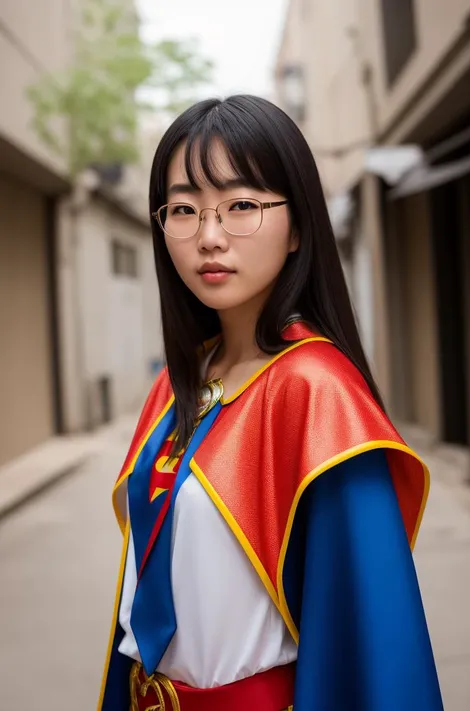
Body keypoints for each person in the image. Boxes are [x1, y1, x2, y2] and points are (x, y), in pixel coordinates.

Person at [97, 95, 444, 711]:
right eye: (183, 209)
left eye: (241, 206)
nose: (208, 236)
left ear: (299, 229)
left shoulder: (317, 391)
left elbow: (370, 634)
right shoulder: (182, 380)